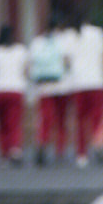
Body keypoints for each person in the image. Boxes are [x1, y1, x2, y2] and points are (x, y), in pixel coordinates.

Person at [68, 15, 103, 165]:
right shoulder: (97, 33)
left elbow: (66, 61)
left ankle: (81, 153)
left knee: (80, 119)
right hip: (96, 81)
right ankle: (98, 142)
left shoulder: (69, 36)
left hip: (78, 82)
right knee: (98, 117)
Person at [28, 14, 73, 164]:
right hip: (61, 85)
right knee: (61, 120)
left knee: (45, 119)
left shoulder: (37, 42)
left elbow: (31, 65)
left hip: (43, 86)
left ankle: (42, 142)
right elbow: (68, 62)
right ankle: (60, 150)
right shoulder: (64, 40)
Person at [0, 23, 28, 163]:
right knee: (14, 121)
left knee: (2, 123)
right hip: (16, 89)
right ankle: (15, 148)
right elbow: (26, 70)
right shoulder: (20, 50)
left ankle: (4, 152)